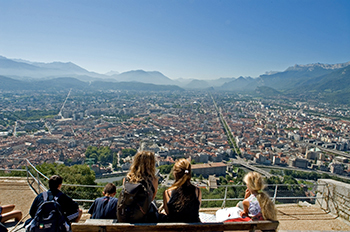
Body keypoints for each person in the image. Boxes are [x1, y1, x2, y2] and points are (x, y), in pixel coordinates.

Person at [117, 150, 158, 222]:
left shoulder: (127, 179)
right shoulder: (153, 180)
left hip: (126, 218)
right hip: (144, 218)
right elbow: (151, 199)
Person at [163, 158, 201, 222]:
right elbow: (196, 210)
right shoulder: (197, 191)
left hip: (174, 229)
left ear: (175, 174)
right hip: (194, 230)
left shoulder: (167, 193)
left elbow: (168, 213)